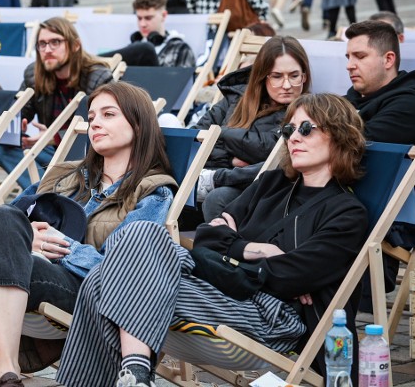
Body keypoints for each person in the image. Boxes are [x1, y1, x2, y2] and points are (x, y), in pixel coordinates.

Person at [56, 93, 370, 387]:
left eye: (306, 128)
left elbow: (290, 276)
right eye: (288, 130)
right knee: (132, 245)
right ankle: (136, 372)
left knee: (111, 274)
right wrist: (253, 250)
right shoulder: (273, 183)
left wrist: (232, 250)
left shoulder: (346, 214)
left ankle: (133, 374)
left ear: (339, 135)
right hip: (221, 293)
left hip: (272, 317)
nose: (294, 137)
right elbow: (207, 237)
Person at [0, 82, 179, 387]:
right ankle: (1, 377)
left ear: (138, 123)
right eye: (92, 118)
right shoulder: (67, 174)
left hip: (81, 288)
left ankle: (2, 373)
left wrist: (62, 247)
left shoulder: (152, 191)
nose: (96, 124)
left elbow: (129, 269)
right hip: (20, 268)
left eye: (108, 114)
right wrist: (26, 237)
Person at [196, 36, 312, 221]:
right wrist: (233, 159)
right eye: (277, 76)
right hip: (212, 180)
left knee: (217, 198)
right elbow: (196, 136)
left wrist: (220, 133)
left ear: (304, 76)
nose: (287, 85)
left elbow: (272, 151)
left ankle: (222, 248)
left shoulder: (304, 113)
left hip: (265, 191)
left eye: (294, 76)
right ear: (262, 76)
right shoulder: (236, 98)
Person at [0, 17, 113, 189]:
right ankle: (48, 194)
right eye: (42, 44)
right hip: (50, 152)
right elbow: (19, 112)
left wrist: (54, 137)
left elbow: (106, 129)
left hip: (87, 156)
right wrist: (18, 127)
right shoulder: (34, 75)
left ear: (75, 45)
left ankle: (46, 194)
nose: (47, 49)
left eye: (55, 42)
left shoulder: (98, 77)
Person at [344, 20, 415, 146]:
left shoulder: (409, 106)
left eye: (360, 56)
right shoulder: (347, 101)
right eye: (349, 57)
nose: (349, 66)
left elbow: (352, 143)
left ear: (388, 60)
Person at [100, 0, 195, 68]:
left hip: (161, 89)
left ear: (163, 15)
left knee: (145, 49)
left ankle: (93, 60)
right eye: (139, 18)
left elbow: (182, 84)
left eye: (148, 18)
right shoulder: (133, 47)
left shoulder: (180, 49)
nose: (143, 24)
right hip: (132, 89)